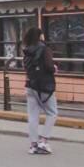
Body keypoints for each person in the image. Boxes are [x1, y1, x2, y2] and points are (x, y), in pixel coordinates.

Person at [23, 27, 58, 155]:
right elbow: (49, 66)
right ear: (40, 36)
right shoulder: (44, 48)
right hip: (44, 86)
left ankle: (33, 145)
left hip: (30, 85)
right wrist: (54, 68)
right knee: (52, 112)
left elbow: (27, 68)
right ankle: (43, 141)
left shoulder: (27, 50)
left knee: (33, 116)